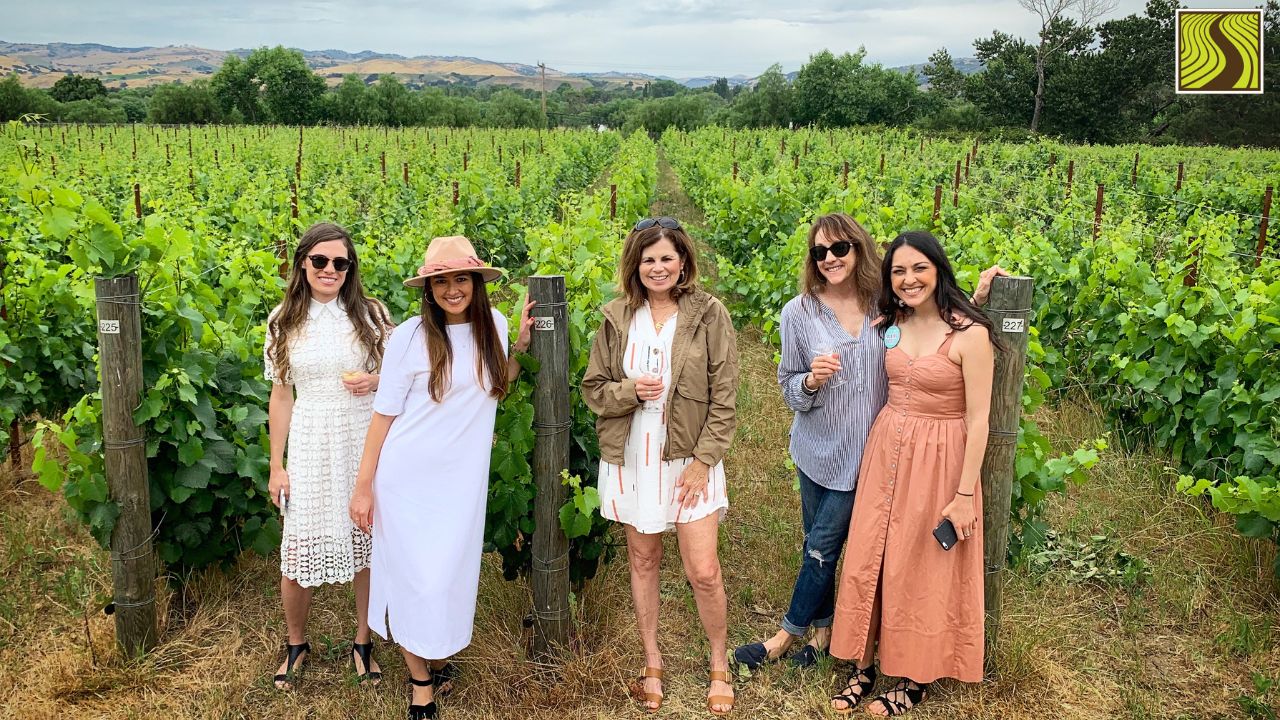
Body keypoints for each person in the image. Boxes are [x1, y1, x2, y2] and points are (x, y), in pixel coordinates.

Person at [348, 235, 533, 720]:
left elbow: (496, 386)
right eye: (441, 281)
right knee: (417, 579)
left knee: (448, 575)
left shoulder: (494, 324)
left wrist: (521, 348)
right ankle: (421, 682)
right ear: (428, 290)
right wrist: (364, 485)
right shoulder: (408, 337)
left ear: (476, 283)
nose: (452, 289)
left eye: (461, 279)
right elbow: (383, 416)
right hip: (407, 479)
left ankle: (435, 651)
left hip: (460, 485)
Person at [827, 230, 999, 716]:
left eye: (919, 268)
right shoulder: (889, 322)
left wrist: (965, 494)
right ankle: (863, 665)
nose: (908, 279)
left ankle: (914, 677)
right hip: (887, 452)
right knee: (872, 553)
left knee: (921, 565)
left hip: (940, 459)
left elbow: (980, 419)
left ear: (938, 269)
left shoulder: (972, 335)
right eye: (898, 271)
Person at [582, 216, 740, 715]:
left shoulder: (710, 315)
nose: (658, 267)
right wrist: (631, 392)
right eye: (648, 259)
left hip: (689, 456)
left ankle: (719, 662)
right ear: (636, 265)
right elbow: (594, 389)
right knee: (643, 560)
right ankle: (652, 661)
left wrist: (703, 461)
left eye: (667, 258)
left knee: (704, 570)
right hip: (633, 455)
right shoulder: (616, 317)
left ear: (683, 262)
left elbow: (725, 398)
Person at [732, 213, 886, 671]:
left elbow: (932, 324)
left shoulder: (885, 303)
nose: (830, 259)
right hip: (817, 449)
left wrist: (976, 299)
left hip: (870, 453)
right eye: (820, 252)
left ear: (858, 249)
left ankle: (783, 636)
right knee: (815, 542)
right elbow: (787, 387)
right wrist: (812, 382)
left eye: (839, 249)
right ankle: (822, 634)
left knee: (822, 546)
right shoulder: (798, 312)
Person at [264, 221, 394, 690]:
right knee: (297, 547)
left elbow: (401, 375)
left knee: (366, 545)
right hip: (311, 440)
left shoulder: (372, 315)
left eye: (341, 262)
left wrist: (373, 381)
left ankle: (363, 642)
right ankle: (296, 642)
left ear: (350, 268)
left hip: (362, 437)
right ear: (303, 262)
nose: (330, 269)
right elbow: (282, 396)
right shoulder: (283, 320)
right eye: (320, 260)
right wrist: (277, 464)